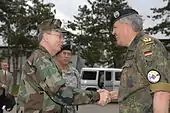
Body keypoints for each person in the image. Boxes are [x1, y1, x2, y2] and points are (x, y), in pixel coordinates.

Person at [17, 18, 111, 113]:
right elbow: (61, 93)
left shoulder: (45, 58)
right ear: (46, 36)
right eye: (59, 36)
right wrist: (97, 96)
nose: (62, 41)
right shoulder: (41, 59)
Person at [110, 8, 170, 113]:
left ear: (126, 27)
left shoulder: (147, 47)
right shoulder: (135, 49)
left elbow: (161, 92)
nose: (113, 32)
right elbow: (139, 88)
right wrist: (114, 95)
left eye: (115, 27)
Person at [55, 44, 81, 113]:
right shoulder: (52, 71)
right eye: (64, 53)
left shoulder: (74, 72)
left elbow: (78, 90)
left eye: (69, 54)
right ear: (57, 55)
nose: (66, 56)